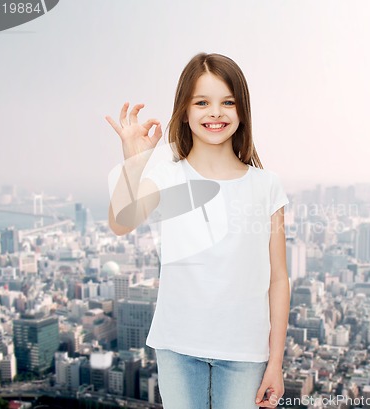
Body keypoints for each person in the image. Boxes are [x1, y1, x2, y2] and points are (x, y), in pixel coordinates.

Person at [106, 53, 289, 409]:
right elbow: (121, 223)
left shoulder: (266, 185)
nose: (215, 112)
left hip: (245, 351)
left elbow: (278, 279)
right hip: (177, 346)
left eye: (227, 102)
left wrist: (276, 362)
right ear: (185, 111)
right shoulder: (168, 174)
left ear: (242, 110)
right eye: (202, 102)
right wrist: (134, 160)